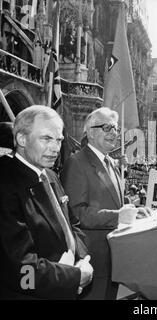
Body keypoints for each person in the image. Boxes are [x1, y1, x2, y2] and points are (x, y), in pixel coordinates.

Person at [0, 105, 93, 299]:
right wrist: (72, 278)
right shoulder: (5, 182)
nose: (55, 148)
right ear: (21, 139)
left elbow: (73, 224)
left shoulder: (50, 175)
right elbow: (19, 270)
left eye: (58, 140)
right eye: (46, 139)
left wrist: (82, 260)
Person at [61, 107, 126, 300]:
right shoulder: (77, 162)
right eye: (107, 127)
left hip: (114, 258)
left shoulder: (111, 163)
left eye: (116, 128)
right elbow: (76, 213)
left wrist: (135, 210)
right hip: (92, 261)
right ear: (90, 132)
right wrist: (118, 216)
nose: (114, 133)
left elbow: (115, 201)